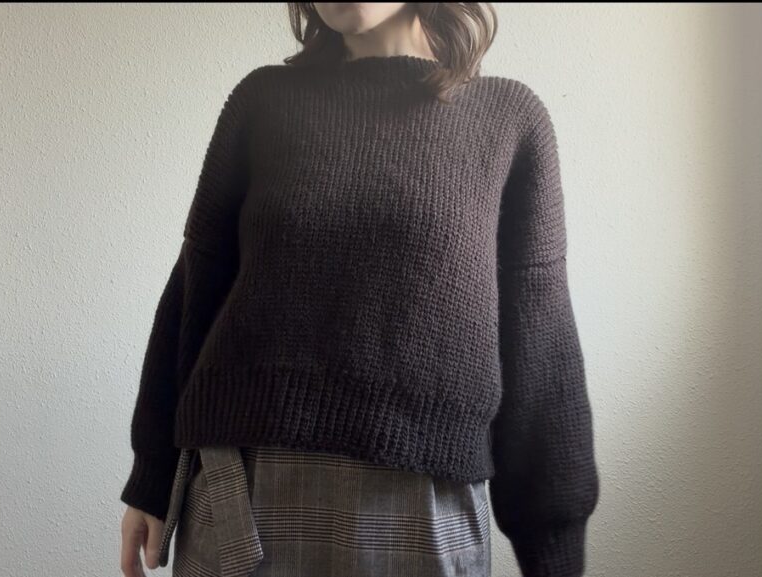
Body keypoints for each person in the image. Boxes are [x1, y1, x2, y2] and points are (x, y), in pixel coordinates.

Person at [119, 3, 600, 577]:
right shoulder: (264, 102)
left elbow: (541, 346)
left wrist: (554, 551)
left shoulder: (508, 119)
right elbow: (192, 293)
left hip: (426, 507)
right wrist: (151, 478)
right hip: (244, 488)